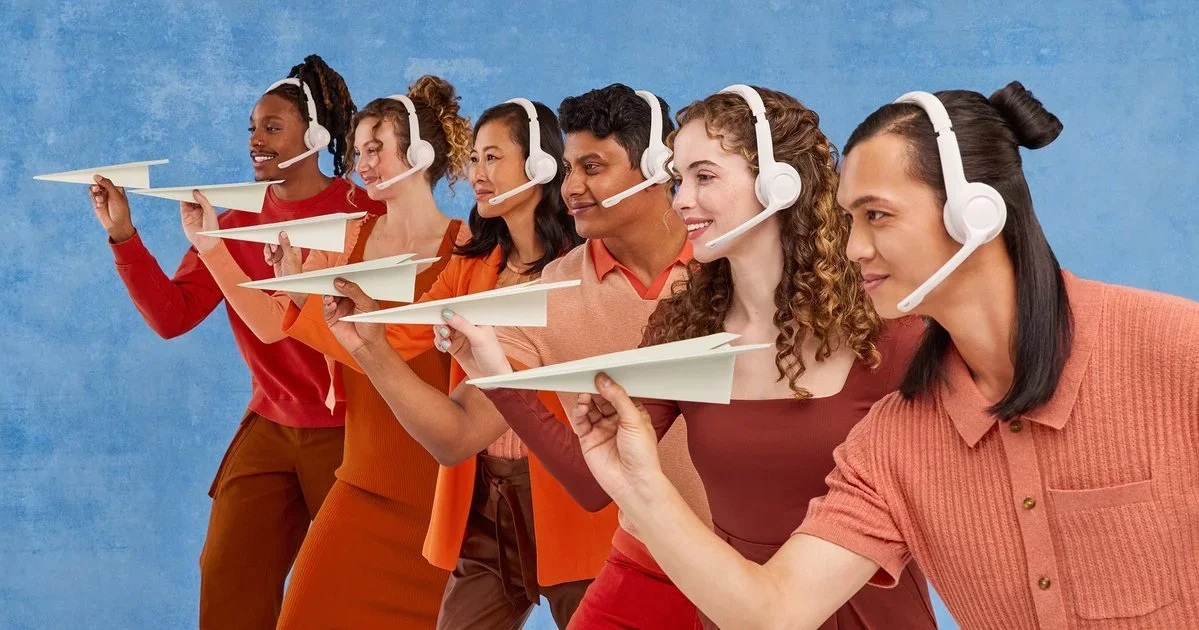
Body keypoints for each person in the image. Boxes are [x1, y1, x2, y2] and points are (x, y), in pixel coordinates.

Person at [565, 82, 1199, 629]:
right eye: (849, 218)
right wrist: (637, 484)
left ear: (975, 212)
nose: (854, 246)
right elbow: (774, 613)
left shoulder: (1176, 347)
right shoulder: (894, 442)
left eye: (876, 216)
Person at [478, 85, 938, 629]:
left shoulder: (892, 331)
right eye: (678, 179)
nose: (680, 200)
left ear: (778, 183)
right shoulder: (682, 327)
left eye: (705, 176)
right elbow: (590, 481)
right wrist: (494, 375)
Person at [86, 54, 373, 629]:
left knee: (351, 597)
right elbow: (174, 315)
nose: (256, 141)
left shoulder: (362, 212)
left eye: (272, 127)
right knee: (228, 579)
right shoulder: (235, 220)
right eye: (252, 128)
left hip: (352, 429)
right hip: (270, 423)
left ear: (314, 136)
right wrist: (123, 235)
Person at [194, 75, 471, 627]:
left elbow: (436, 358)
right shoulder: (347, 238)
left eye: (376, 149)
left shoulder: (468, 249)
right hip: (362, 478)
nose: (362, 163)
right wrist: (212, 248)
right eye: (359, 150)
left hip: (436, 486)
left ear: (417, 154)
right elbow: (278, 326)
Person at [438, 84, 711, 628]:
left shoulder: (729, 259)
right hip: (641, 554)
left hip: (751, 551)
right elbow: (462, 432)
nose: (573, 187)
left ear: (658, 166)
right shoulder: (555, 286)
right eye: (569, 168)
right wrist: (374, 346)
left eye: (593, 166)